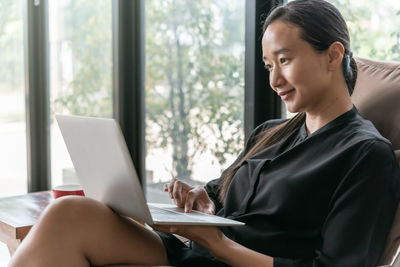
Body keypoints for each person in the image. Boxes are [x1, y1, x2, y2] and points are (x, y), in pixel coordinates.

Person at [9, 0, 400, 266]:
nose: (275, 79)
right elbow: (219, 192)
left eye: (284, 60)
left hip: (221, 259)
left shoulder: (366, 156)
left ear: (333, 55)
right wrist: (200, 198)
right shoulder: (272, 133)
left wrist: (217, 242)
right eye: (268, 65)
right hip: (199, 255)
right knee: (70, 213)